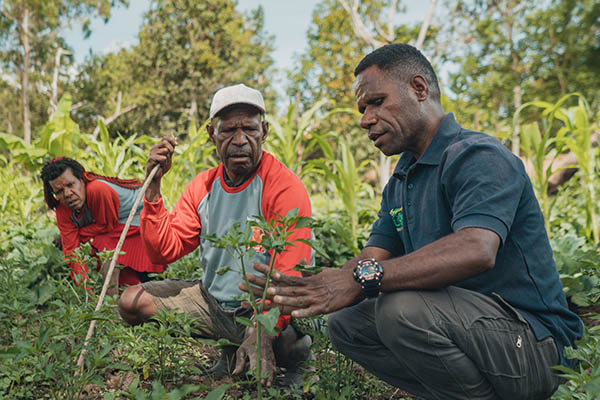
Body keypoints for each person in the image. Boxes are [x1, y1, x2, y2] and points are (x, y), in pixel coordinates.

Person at [242, 43, 584, 399]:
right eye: (362, 109)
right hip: (470, 332)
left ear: (419, 89)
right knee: (346, 323)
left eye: (376, 102)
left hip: (535, 345)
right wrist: (301, 288)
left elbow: (477, 249)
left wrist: (362, 279)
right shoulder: (402, 180)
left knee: (398, 309)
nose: (365, 120)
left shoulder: (478, 155)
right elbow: (373, 256)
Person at [117, 84, 314, 387]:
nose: (239, 140)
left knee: (288, 343)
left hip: (265, 308)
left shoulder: (283, 186)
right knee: (132, 301)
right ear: (211, 134)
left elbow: (290, 272)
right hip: (215, 303)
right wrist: (153, 189)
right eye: (227, 130)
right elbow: (163, 251)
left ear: (265, 131)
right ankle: (232, 349)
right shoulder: (203, 186)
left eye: (249, 128)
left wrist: (262, 325)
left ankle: (294, 361)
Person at [41, 158, 165, 294]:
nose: (67, 194)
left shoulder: (97, 189)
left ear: (82, 180)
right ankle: (118, 299)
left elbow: (106, 226)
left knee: (104, 244)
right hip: (119, 228)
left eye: (70, 185)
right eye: (59, 191)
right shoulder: (62, 209)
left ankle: (111, 302)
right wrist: (86, 292)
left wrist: (73, 234)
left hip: (143, 221)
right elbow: (72, 253)